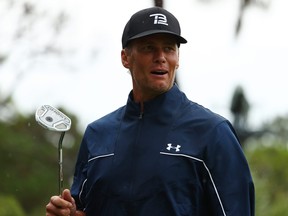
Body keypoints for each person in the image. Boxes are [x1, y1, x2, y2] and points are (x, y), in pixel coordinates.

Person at [46, 6, 255, 216]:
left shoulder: (213, 132)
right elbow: (83, 209)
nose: (161, 57)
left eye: (169, 48)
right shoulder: (98, 134)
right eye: (148, 48)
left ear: (178, 58)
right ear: (125, 58)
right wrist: (68, 213)